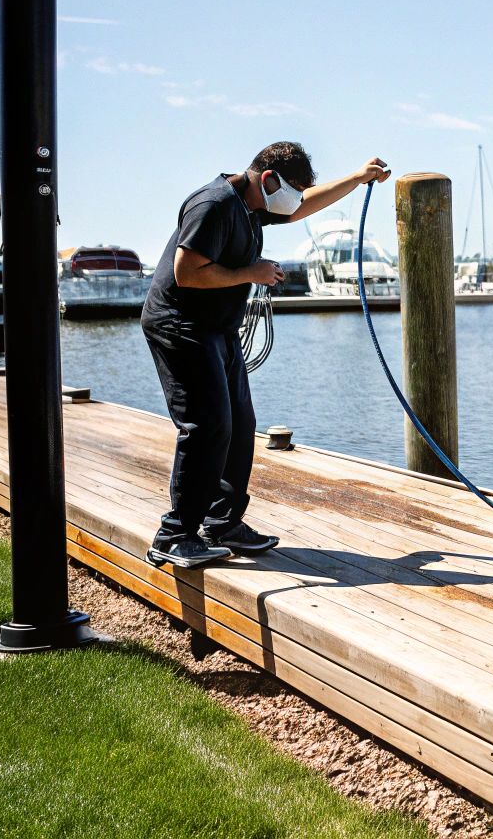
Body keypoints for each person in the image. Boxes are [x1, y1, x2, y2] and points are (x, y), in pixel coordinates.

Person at [140, 142, 391, 568]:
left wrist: (357, 177)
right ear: (268, 179)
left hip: (217, 329)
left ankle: (221, 523)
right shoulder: (214, 203)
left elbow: (301, 207)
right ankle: (174, 534)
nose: (293, 197)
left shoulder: (252, 204)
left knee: (241, 424)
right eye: (291, 187)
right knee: (207, 426)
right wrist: (251, 272)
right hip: (179, 325)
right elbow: (186, 272)